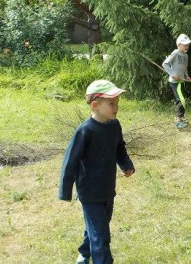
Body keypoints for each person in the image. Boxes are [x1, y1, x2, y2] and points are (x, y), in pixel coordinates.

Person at [58, 80, 135, 264]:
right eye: (111, 103)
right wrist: (65, 191)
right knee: (101, 235)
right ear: (95, 105)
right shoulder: (85, 131)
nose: (116, 107)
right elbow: (70, 161)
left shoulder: (114, 126)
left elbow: (119, 148)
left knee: (98, 227)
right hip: (89, 192)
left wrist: (126, 164)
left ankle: (84, 253)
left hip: (108, 190)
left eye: (117, 103)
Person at [162, 33, 191, 129]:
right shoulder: (175, 53)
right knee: (181, 99)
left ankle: (181, 118)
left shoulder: (186, 56)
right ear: (179, 44)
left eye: (188, 44)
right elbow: (165, 64)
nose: (187, 46)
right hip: (175, 82)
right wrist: (173, 74)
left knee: (182, 99)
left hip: (181, 81)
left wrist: (186, 76)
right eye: (185, 44)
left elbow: (185, 68)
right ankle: (178, 120)